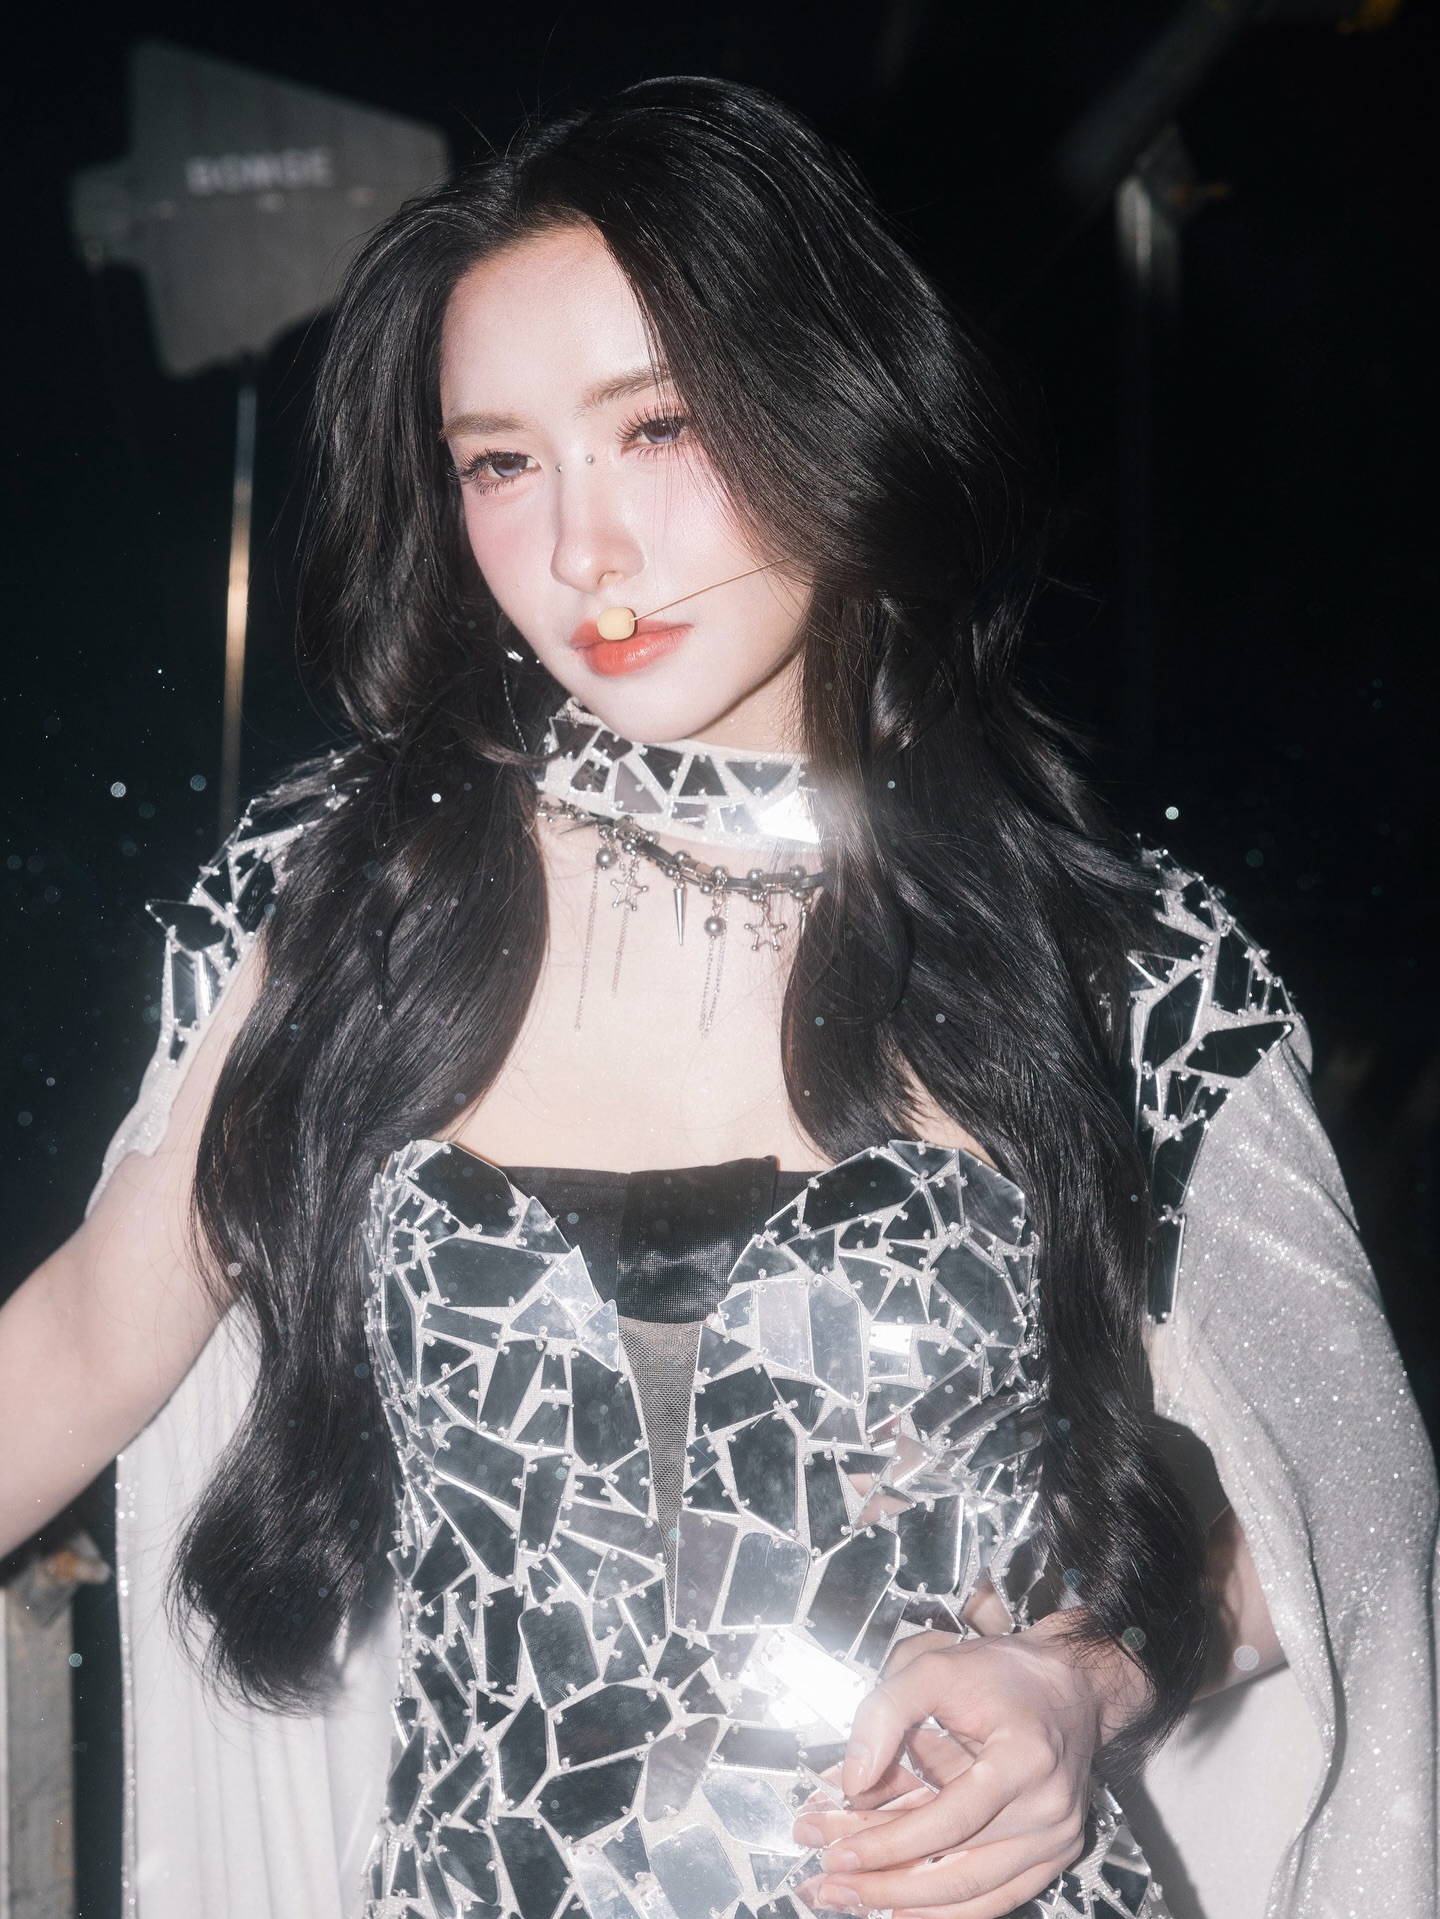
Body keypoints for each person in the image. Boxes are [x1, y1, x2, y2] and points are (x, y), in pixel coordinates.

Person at [0, 77, 1433, 1919]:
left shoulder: (1112, 956)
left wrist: (1085, 1681)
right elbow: (80, 1345)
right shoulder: (349, 902)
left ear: (831, 399)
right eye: (501, 463)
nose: (581, 552)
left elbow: (1337, 1508)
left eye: (658, 425)